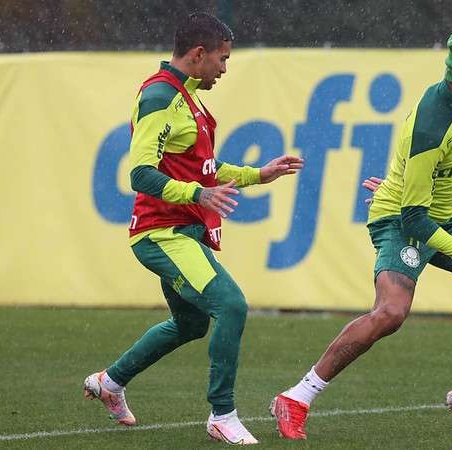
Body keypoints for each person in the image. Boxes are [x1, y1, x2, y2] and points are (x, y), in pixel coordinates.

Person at [270, 25, 452, 439]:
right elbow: (414, 219)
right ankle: (296, 397)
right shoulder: (432, 127)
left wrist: (399, 183)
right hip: (403, 221)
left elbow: (424, 183)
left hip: (442, 216)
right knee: (390, 313)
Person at [82, 12, 303, 445]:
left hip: (182, 229)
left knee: (191, 323)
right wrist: (198, 195)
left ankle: (110, 382)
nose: (224, 68)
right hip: (161, 232)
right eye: (223, 58)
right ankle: (222, 414)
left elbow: (203, 168)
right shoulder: (160, 96)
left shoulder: (187, 96)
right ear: (199, 54)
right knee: (232, 306)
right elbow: (140, 174)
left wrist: (259, 174)